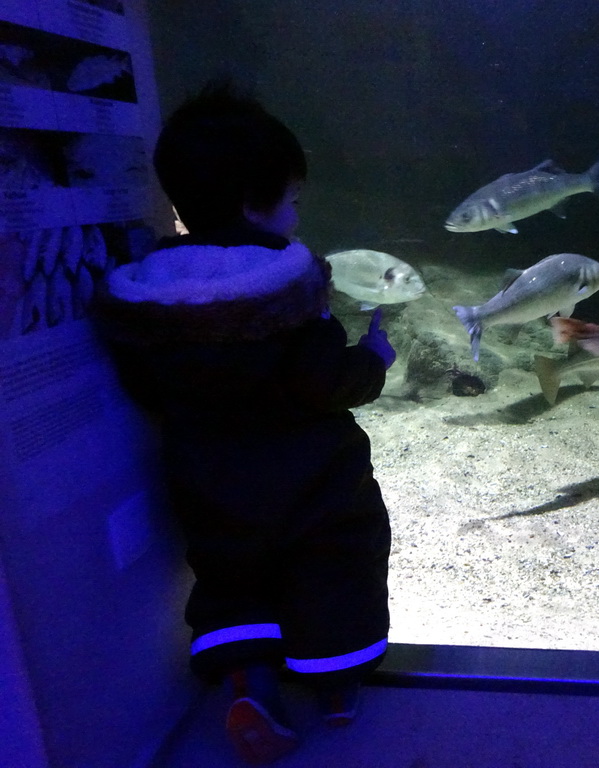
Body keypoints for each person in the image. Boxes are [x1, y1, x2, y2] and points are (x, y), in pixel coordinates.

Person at [93, 82, 395, 764]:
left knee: (234, 584)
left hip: (210, 489)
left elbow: (144, 384)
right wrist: (372, 358)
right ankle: (337, 686)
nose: (294, 215)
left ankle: (251, 685)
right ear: (255, 203)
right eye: (292, 199)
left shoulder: (152, 300)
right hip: (315, 488)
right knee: (334, 569)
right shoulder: (287, 292)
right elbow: (324, 382)